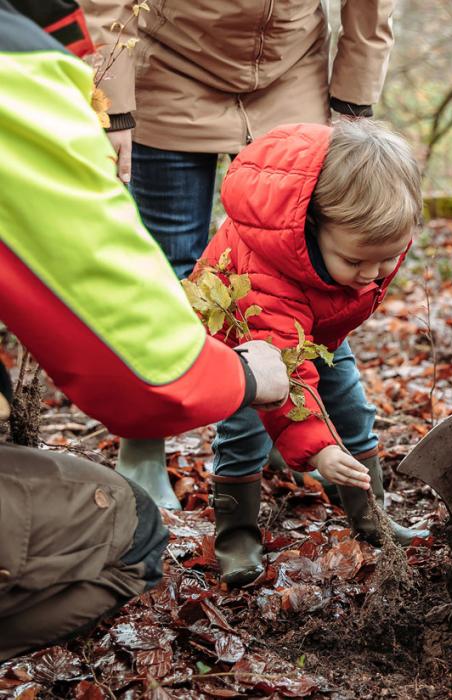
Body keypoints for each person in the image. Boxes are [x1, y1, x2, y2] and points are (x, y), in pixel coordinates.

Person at [0, 0, 289, 658]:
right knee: (129, 534)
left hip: (270, 84)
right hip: (170, 91)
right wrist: (245, 373)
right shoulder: (14, 71)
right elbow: (146, 371)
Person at [82, 0, 396, 504]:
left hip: (291, 72)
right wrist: (111, 102)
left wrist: (353, 102)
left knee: (302, 274)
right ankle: (143, 440)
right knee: (171, 273)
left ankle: (290, 428)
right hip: (172, 65)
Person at [195, 120, 430, 586]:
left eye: (386, 259)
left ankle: (371, 518)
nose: (371, 275)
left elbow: (314, 344)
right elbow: (286, 372)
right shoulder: (267, 274)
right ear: (312, 225)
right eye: (356, 262)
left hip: (317, 337)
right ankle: (236, 539)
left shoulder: (366, 240)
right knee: (244, 437)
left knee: (353, 412)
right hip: (252, 348)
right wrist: (319, 450)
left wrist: (363, 268)